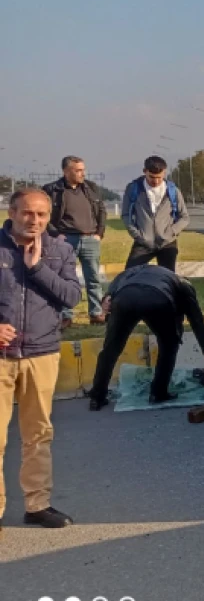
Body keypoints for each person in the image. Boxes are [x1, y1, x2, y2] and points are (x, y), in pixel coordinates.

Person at [0, 189, 82, 532]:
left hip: (42, 352)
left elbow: (72, 296)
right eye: (28, 214)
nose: (35, 221)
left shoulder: (59, 250)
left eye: (42, 215)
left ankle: (37, 505)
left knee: (38, 434)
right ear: (12, 212)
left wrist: (36, 269)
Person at [87, 264, 204, 410]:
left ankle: (97, 396)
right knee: (169, 345)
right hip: (157, 299)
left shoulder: (143, 270)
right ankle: (158, 392)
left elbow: (122, 275)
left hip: (125, 297)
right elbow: (196, 321)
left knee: (111, 349)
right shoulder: (184, 287)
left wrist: (109, 295)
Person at [43, 155, 108, 328]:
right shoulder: (52, 190)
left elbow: (101, 210)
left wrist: (99, 233)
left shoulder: (90, 188)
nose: (82, 174)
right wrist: (55, 234)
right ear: (65, 171)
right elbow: (43, 216)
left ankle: (96, 313)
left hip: (90, 239)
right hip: (65, 239)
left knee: (93, 278)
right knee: (63, 278)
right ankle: (65, 315)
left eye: (83, 170)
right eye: (77, 170)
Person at [121, 156, 189, 271]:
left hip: (167, 243)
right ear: (144, 171)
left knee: (168, 279)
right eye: (152, 177)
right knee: (130, 274)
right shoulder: (133, 189)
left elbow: (185, 217)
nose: (156, 181)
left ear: (164, 172)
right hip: (143, 242)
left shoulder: (173, 191)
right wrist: (137, 235)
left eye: (159, 177)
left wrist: (171, 232)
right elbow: (125, 215)